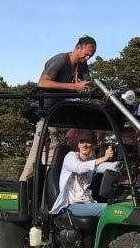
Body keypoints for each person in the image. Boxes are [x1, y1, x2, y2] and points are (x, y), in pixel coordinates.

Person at [20, 36, 98, 180]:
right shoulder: (60, 60)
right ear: (78, 47)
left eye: (90, 56)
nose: (87, 58)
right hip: (44, 110)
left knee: (50, 150)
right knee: (46, 150)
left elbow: (87, 83)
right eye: (86, 54)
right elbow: (42, 82)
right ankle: (25, 185)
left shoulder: (81, 65)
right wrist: (74, 86)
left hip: (59, 111)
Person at [49, 130, 117, 217]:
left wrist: (125, 167)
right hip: (71, 205)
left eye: (88, 142)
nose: (84, 145)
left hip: (88, 202)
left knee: (118, 208)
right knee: (112, 210)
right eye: (82, 142)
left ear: (93, 146)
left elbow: (105, 166)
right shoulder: (70, 157)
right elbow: (80, 167)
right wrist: (105, 157)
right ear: (78, 145)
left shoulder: (90, 162)